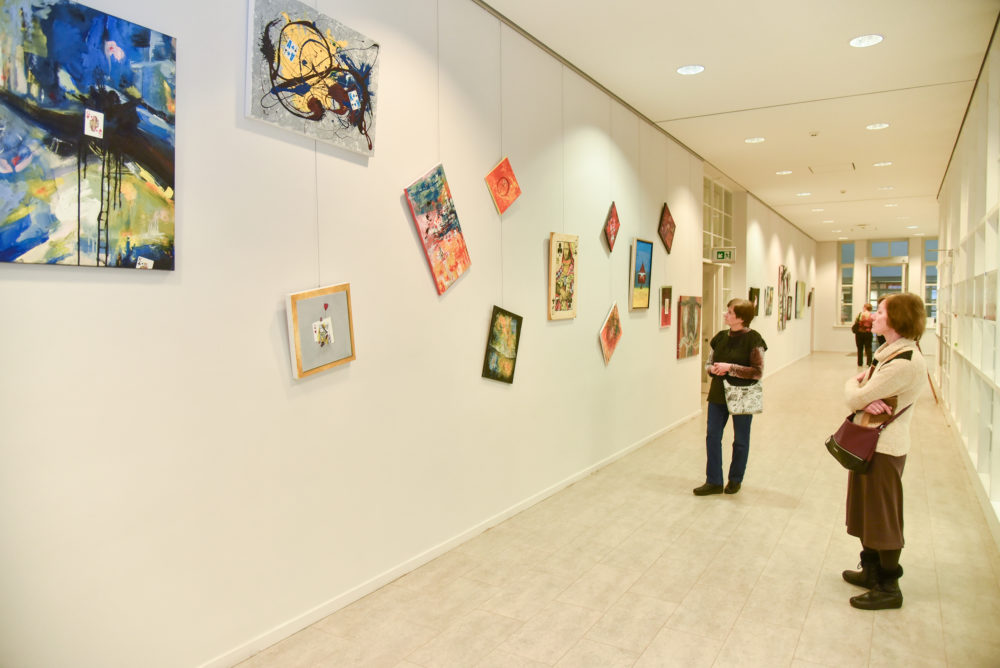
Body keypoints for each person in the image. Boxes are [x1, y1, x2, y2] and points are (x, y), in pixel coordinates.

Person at [840, 292, 927, 610]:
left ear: (897, 319)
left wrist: (856, 386)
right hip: (871, 443)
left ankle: (889, 586)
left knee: (883, 516)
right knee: (867, 510)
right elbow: (861, 395)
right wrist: (862, 392)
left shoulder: (904, 362)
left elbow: (854, 397)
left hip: (885, 447)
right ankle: (871, 570)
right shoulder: (888, 353)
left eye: (880, 311)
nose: (873, 316)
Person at [693, 298, 767, 496]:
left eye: (730, 312)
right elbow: (708, 363)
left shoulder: (754, 339)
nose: (725, 314)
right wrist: (712, 369)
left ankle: (735, 479)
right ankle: (714, 481)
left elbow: (757, 371)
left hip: (743, 394)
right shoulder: (720, 337)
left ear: (741, 318)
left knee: (740, 440)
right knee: (712, 436)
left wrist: (730, 368)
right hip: (718, 394)